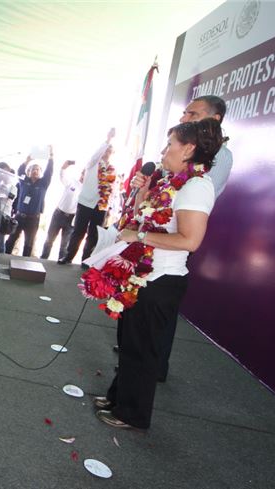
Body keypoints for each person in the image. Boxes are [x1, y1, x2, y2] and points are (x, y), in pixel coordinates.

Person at [94, 118, 223, 430]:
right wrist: (142, 192)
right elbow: (146, 218)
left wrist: (138, 237)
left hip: (162, 280)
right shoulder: (170, 182)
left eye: (170, 144)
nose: (164, 151)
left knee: (143, 350)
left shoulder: (196, 186)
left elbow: (190, 240)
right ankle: (118, 398)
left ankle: (132, 413)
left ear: (188, 149)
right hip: (144, 275)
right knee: (130, 343)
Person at [128, 95, 231, 383]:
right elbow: (157, 203)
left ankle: (151, 369)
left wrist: (143, 233)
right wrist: (145, 192)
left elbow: (190, 220)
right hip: (152, 248)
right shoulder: (174, 171)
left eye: (193, 114)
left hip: (171, 252)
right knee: (136, 333)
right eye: (185, 113)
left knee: (153, 330)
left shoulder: (204, 175)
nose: (185, 118)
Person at [61, 128, 116, 264]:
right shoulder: (92, 163)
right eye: (105, 150)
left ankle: (86, 260)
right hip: (86, 203)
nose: (107, 153)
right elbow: (96, 155)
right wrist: (108, 139)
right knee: (78, 232)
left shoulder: (112, 170)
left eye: (110, 151)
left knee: (93, 234)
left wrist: (109, 207)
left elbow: (113, 190)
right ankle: (68, 257)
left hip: (101, 206)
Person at [5, 146, 55, 257]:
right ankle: (4, 259)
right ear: (29, 172)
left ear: (40, 172)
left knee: (29, 244)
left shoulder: (43, 183)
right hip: (19, 217)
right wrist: (28, 160)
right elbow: (20, 171)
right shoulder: (24, 181)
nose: (35, 171)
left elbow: (49, 172)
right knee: (11, 240)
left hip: (33, 219)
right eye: (33, 169)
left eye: (37, 169)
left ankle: (25, 263)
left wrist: (51, 156)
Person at [41, 160, 81, 261]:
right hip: (58, 214)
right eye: (83, 173)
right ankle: (43, 259)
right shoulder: (72, 182)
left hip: (71, 218)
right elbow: (62, 176)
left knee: (64, 244)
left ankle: (61, 264)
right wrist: (64, 167)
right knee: (49, 240)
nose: (84, 175)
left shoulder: (86, 189)